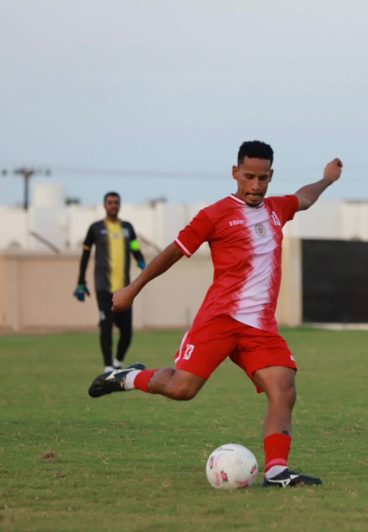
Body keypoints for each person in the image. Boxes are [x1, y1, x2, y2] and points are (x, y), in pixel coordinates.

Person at [87, 140, 343, 488]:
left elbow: (305, 198)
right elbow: (173, 252)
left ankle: (276, 472)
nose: (255, 186)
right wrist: (133, 288)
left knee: (284, 389)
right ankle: (129, 377)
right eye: (248, 177)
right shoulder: (215, 215)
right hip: (220, 319)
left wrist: (327, 179)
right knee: (182, 388)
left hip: (259, 328)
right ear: (235, 173)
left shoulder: (276, 209)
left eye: (262, 178)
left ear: (271, 176)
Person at [75, 191, 146, 372]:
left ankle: (117, 362)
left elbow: (135, 247)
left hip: (124, 289)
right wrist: (81, 281)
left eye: (116, 202)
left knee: (127, 332)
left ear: (120, 205)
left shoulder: (128, 228)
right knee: (106, 327)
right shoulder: (96, 228)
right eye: (110, 202)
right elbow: (85, 254)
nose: (113, 205)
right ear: (104, 205)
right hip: (103, 287)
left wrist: (141, 260)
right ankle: (108, 368)